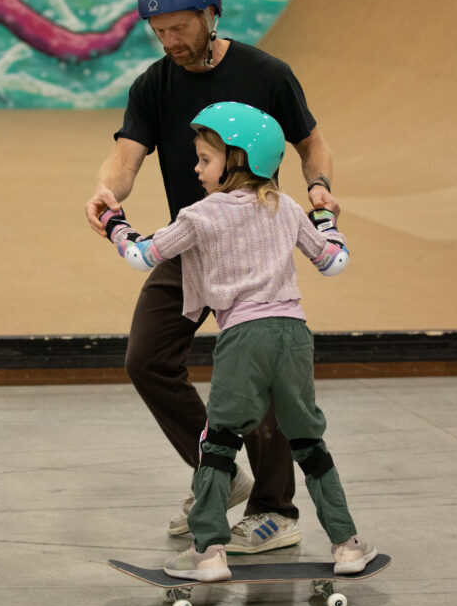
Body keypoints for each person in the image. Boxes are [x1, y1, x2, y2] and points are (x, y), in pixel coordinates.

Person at [85, 0, 339, 553]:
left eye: (179, 28)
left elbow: (312, 142)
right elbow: (126, 157)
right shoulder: (154, 84)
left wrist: (319, 186)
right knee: (146, 359)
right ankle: (218, 477)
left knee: (265, 372)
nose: (169, 41)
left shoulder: (266, 73)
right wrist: (106, 192)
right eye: (159, 31)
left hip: (255, 244)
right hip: (194, 238)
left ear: (209, 15)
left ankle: (276, 511)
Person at [99, 101, 375, 581]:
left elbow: (144, 257)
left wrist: (114, 226)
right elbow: (333, 262)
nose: (196, 168)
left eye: (205, 159)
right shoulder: (287, 207)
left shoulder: (201, 215)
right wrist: (328, 220)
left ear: (239, 160)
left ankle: (208, 553)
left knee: (219, 443)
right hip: (294, 336)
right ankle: (347, 545)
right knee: (308, 441)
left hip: (243, 337)